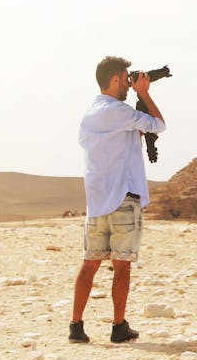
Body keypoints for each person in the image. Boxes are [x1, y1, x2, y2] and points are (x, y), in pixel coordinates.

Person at [69, 56, 166, 343]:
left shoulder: (89, 113)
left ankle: (76, 326)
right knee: (122, 266)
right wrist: (144, 93)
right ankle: (118, 326)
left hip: (97, 200)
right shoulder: (120, 112)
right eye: (126, 79)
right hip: (124, 196)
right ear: (114, 80)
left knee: (90, 263)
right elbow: (158, 125)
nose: (129, 84)